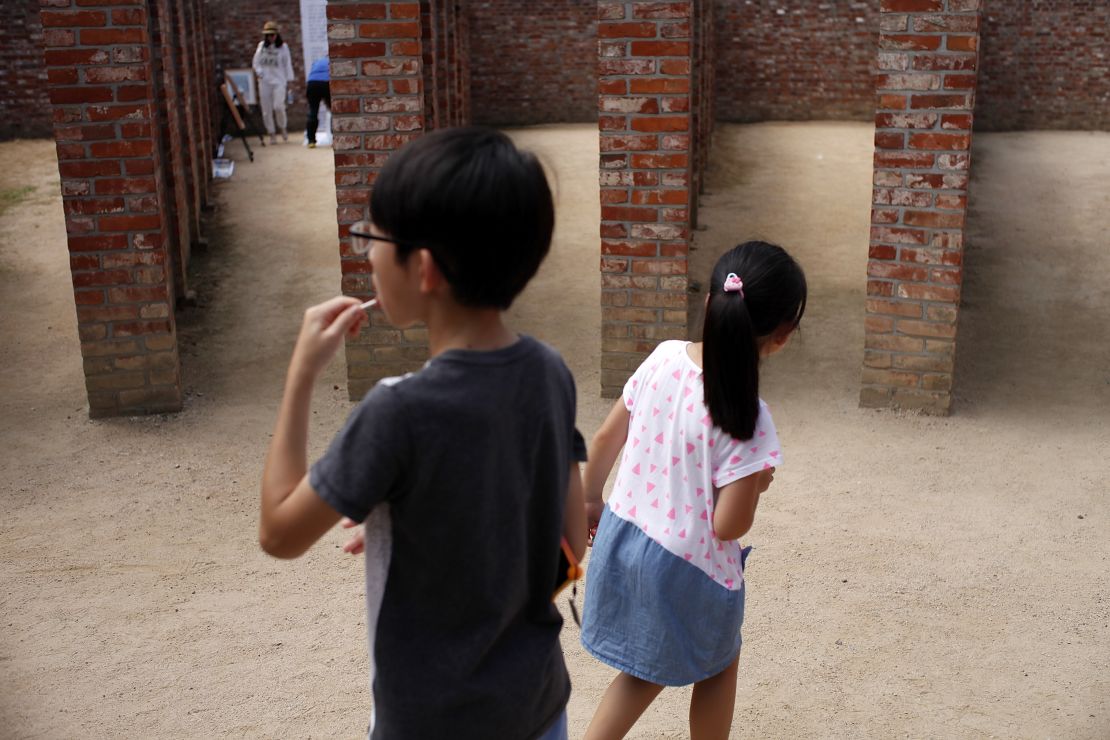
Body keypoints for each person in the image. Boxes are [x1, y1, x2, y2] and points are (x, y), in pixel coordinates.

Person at [258, 126, 588, 740]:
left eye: (374, 239)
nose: (367, 255)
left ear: (426, 268)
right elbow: (568, 544)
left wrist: (300, 375)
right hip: (538, 707)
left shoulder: (396, 412)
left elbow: (279, 532)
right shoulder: (550, 371)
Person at [579, 241, 808, 740]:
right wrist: (756, 485)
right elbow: (730, 524)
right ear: (783, 336)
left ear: (709, 303)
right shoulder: (749, 413)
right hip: (691, 566)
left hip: (624, 539)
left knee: (641, 674)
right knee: (719, 661)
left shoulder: (662, 358)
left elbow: (603, 438)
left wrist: (591, 499)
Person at [252, 20, 294, 144]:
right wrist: (260, 73)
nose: (271, 37)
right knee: (266, 109)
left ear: (277, 35)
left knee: (278, 106)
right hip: (264, 82)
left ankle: (283, 127)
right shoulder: (261, 46)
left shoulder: (283, 47)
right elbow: (256, 62)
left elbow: (288, 64)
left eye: (273, 35)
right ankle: (271, 133)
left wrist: (289, 80)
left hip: (279, 81)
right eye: (269, 35)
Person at [305, 55, 330, 148]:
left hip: (312, 83)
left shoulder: (318, 61)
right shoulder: (332, 61)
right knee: (333, 112)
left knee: (313, 111)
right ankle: (335, 138)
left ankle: (311, 140)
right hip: (326, 83)